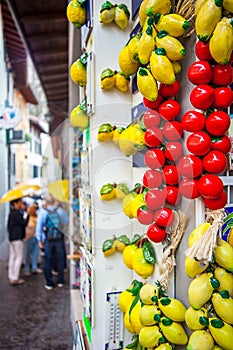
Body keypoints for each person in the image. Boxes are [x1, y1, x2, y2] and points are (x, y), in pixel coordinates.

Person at [36, 194, 67, 290]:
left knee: (47, 260)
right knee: (60, 259)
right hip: (59, 239)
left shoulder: (43, 212)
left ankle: (49, 282)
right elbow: (66, 222)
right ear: (54, 201)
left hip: (48, 239)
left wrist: (39, 240)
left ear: (46, 202)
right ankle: (60, 280)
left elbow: (39, 227)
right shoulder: (60, 211)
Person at [7, 197, 29, 285]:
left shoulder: (11, 213)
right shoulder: (16, 213)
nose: (21, 203)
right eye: (19, 202)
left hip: (12, 238)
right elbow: (24, 223)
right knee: (18, 257)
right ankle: (15, 278)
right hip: (18, 238)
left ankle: (11, 275)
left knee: (12, 256)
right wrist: (28, 214)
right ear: (15, 203)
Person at [24, 203, 43, 276]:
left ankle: (34, 267)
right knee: (28, 254)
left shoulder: (37, 216)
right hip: (29, 237)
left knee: (35, 253)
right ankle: (27, 269)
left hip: (36, 237)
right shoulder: (27, 217)